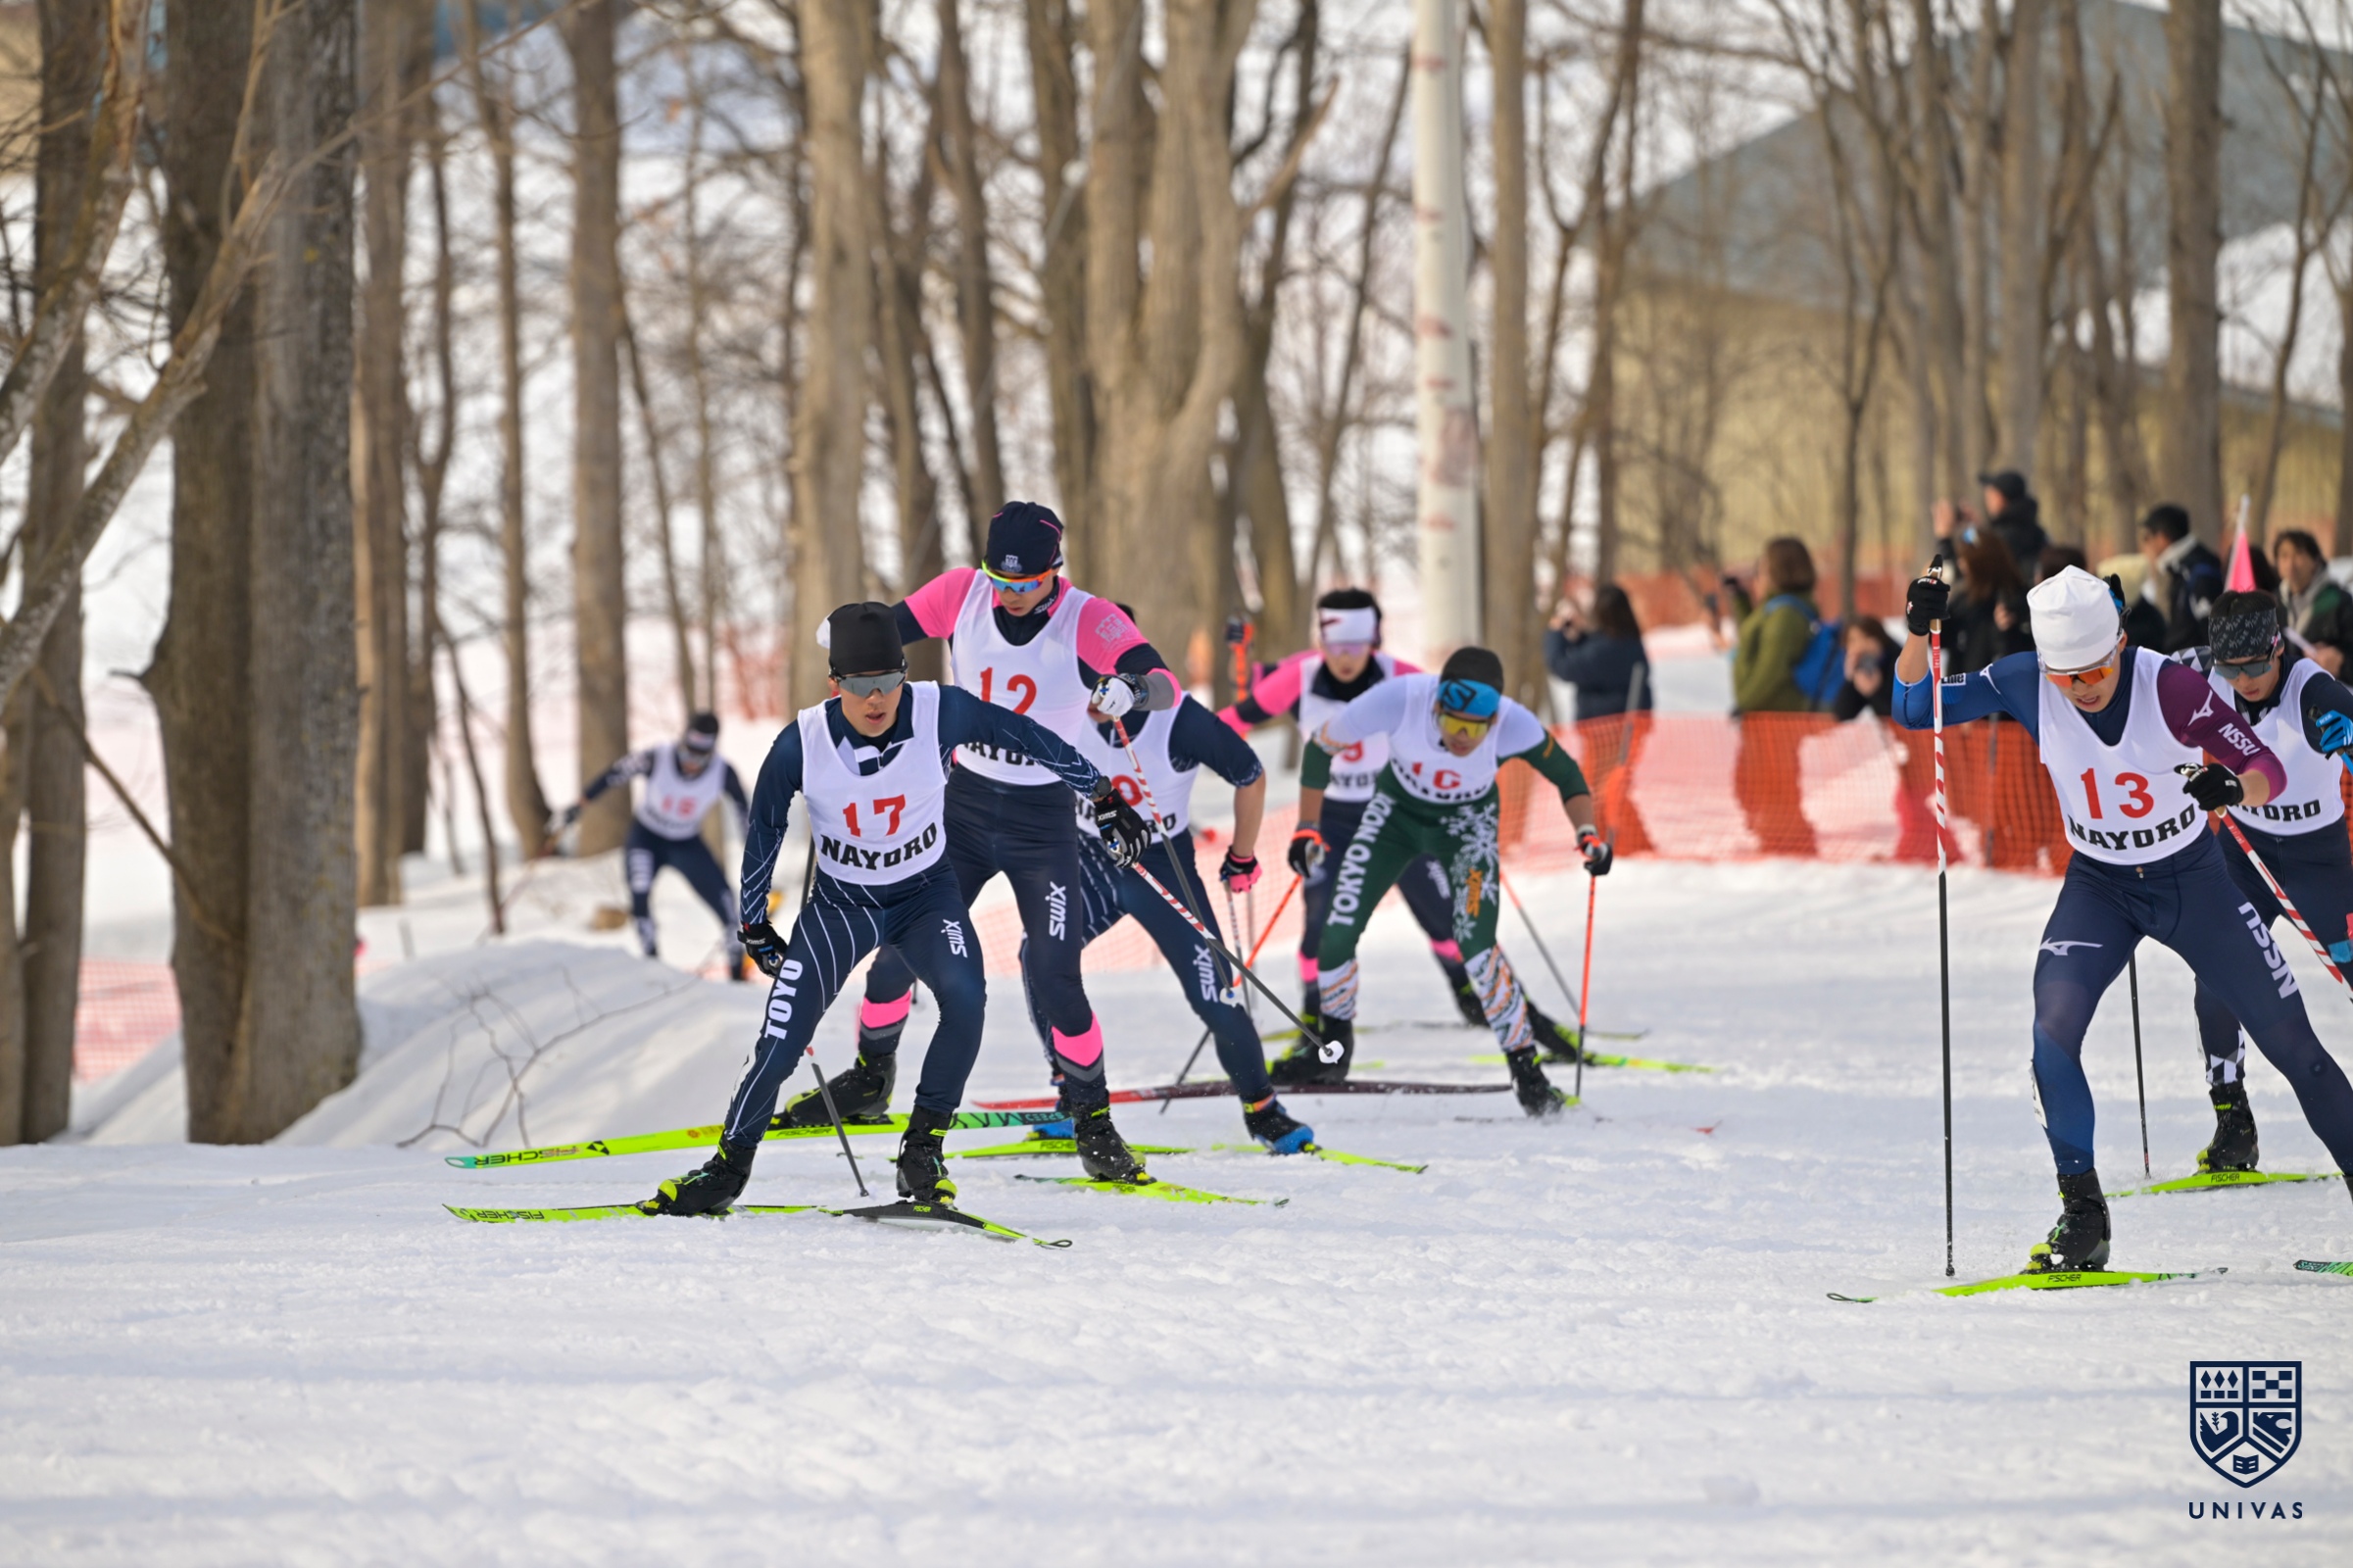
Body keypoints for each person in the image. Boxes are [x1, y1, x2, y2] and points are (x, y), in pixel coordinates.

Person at [1892, 565, 2353, 1270]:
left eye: (2096, 669)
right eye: (2066, 676)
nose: (2083, 687)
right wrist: (1915, 633)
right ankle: (2083, 1217)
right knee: (2051, 1033)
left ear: (2119, 644)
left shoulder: (2170, 685)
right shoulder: (2023, 680)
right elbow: (1911, 704)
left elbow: (2267, 768)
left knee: (2296, 1049)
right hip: (2099, 887)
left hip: (2192, 882)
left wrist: (2234, 785)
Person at [642, 603, 1151, 1217]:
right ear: (835, 683)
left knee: (966, 1000)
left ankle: (923, 1149)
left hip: (924, 896)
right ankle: (727, 1169)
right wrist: (753, 922)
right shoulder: (800, 742)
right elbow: (764, 830)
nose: (876, 698)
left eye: (887, 680)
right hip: (841, 906)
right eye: (860, 685)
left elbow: (1026, 736)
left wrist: (1102, 794)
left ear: (904, 674)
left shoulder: (941, 710)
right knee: (780, 1041)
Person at [831, 503, 1180, 1183]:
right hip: (961, 811)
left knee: (1055, 977)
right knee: (898, 949)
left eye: (1026, 583)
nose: (1010, 595)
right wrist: (844, 639)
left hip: (1040, 823)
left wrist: (1132, 688)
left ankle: (1093, 1122)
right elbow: (882, 633)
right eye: (1001, 580)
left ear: (1054, 571)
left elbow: (1164, 684)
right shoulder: (961, 592)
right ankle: (871, 1077)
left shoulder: (1087, 616)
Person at [1220, 589, 1568, 1044]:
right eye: (1336, 646)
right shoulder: (1297, 678)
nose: (1346, 658)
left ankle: (1481, 999)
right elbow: (1230, 721)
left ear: (1375, 640)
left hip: (1398, 815)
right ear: (1321, 642)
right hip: (1331, 821)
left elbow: (1453, 720)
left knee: (1446, 917)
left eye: (1357, 645)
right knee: (1321, 923)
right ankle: (1316, 1018)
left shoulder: (1400, 678)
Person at [1281, 646, 1607, 1117]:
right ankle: (1331, 1052)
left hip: (1466, 827)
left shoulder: (1514, 722)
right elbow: (1320, 746)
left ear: (1493, 719)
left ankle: (1528, 1074)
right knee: (1336, 934)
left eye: (1475, 729)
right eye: (1452, 723)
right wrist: (1307, 826)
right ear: (1435, 703)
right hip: (1394, 818)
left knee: (1477, 947)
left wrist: (1587, 832)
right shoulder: (1400, 698)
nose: (1461, 737)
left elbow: (1568, 776)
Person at [1025, 665, 1317, 1152]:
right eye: (1084, 686)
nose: (1089, 701)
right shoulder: (1059, 699)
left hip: (1160, 867)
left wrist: (1242, 855)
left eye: (1101, 690)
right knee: (1037, 957)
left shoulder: (1177, 719)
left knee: (1214, 995)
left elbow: (1250, 775)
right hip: (1088, 860)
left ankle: (1264, 1110)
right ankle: (1073, 1095)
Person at [2174, 592, 2353, 1175]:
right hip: (2243, 853)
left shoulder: (2312, 690)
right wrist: (2106, 624)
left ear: (2277, 648)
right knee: (2215, 980)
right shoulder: (2202, 670)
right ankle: (2233, 1123)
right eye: (2232, 669)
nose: (2244, 680)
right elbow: (2128, 680)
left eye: (2256, 664)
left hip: (2316, 861)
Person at [554, 712, 751, 973]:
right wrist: (580, 804)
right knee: (640, 891)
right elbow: (615, 774)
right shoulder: (657, 757)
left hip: (686, 843)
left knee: (726, 902)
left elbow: (743, 810)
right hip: (647, 837)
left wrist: (754, 846)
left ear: (711, 753)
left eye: (700, 758)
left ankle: (737, 974)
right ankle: (653, 966)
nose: (691, 763)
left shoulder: (722, 772)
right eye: (687, 753)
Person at [1732, 538, 1825, 857]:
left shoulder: (1785, 614)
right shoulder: (1778, 608)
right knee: (1760, 782)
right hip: (1765, 714)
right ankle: (1781, 839)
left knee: (1773, 784)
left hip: (1774, 714)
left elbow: (1770, 669)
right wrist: (1740, 600)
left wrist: (1744, 703)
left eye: (1764, 567)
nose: (1759, 573)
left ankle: (1788, 843)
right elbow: (1755, 636)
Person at [1544, 585, 1653, 720]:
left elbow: (1562, 666)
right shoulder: (1631, 642)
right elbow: (1595, 653)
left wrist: (1555, 633)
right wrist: (1580, 637)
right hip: (1630, 725)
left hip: (1606, 728)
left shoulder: (1602, 652)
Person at [2138, 503, 2224, 653]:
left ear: (2162, 537)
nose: (2147, 545)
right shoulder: (2182, 569)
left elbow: (2212, 633)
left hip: (2196, 664)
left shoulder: (2198, 572)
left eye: (2147, 537)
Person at [1946, 527, 2033, 674]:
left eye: (1965, 560)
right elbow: (1941, 638)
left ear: (1981, 564)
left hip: (1998, 681)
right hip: (1964, 682)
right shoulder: (1963, 601)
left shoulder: (2014, 600)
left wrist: (2004, 630)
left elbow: (2017, 651)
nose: (1961, 565)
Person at [1934, 469, 2048, 571]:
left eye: (1992, 495)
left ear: (2001, 498)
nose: (1987, 500)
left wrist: (1944, 538)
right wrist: (1977, 529)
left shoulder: (2004, 537)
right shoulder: (2031, 530)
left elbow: (1960, 571)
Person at [2273, 529, 2353, 675]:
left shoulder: (2339, 601)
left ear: (2315, 560)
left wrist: (2340, 660)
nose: (2290, 563)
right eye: (2284, 555)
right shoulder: (2273, 602)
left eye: (2298, 554)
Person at [1831, 619, 1900, 720]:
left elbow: (1897, 715)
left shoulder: (1898, 662)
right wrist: (1850, 679)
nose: (1859, 646)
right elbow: (1843, 714)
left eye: (1865, 638)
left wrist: (1873, 693)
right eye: (1852, 641)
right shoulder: (1862, 668)